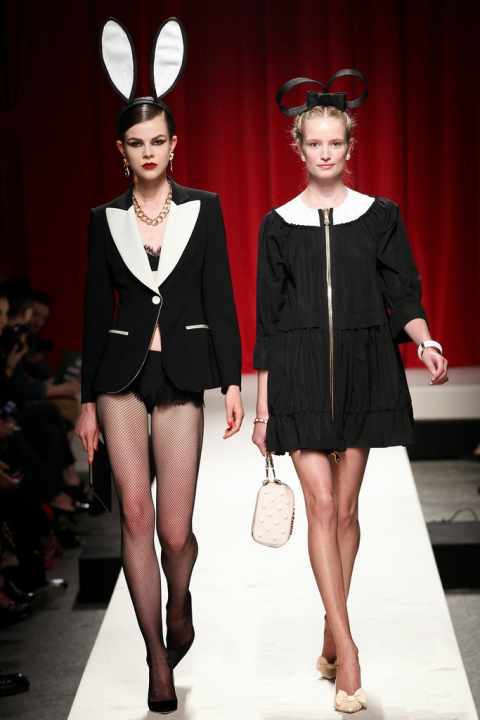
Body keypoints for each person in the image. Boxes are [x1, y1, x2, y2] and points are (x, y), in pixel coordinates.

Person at [251, 70, 448, 714]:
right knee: (320, 503)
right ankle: (349, 647)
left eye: (335, 142)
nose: (325, 152)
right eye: (315, 143)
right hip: (300, 375)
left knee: (343, 511)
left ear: (348, 145)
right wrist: (263, 410)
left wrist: (425, 340)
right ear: (299, 147)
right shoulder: (278, 225)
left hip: (364, 373)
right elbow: (268, 322)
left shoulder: (379, 217)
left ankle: (328, 631)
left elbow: (403, 293)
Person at [75, 17, 243, 715]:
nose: (148, 151)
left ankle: (180, 598)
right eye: (136, 143)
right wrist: (85, 401)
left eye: (157, 141)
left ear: (175, 145)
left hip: (181, 375)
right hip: (118, 378)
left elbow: (220, 297)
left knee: (176, 531)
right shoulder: (103, 219)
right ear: (122, 151)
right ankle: (156, 658)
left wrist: (233, 380)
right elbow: (94, 310)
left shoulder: (205, 209)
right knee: (135, 517)